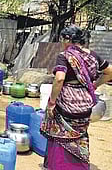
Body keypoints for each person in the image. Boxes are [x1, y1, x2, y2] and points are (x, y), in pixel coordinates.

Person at [40, 26, 112, 170]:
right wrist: (95, 85)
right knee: (81, 135)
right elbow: (109, 72)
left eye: (62, 39)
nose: (62, 42)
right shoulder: (93, 55)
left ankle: (59, 165)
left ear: (68, 39)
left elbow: (59, 79)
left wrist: (52, 102)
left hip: (66, 104)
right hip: (86, 105)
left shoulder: (65, 56)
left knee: (59, 132)